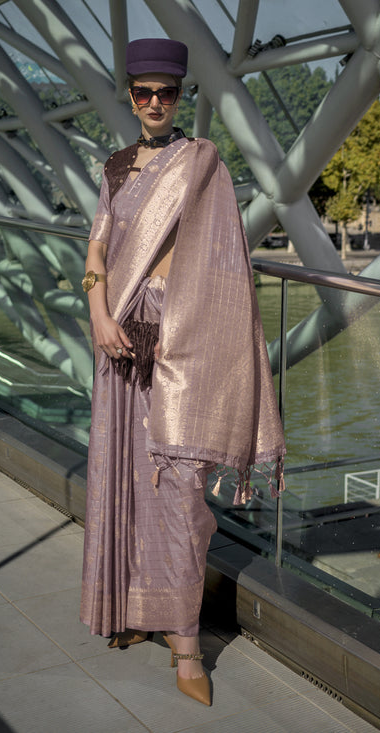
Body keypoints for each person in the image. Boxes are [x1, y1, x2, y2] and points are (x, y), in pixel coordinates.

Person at [80, 38, 285, 707]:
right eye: (143, 92)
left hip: (184, 342)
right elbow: (98, 249)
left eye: (167, 92)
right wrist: (98, 315)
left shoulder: (201, 164)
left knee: (179, 497)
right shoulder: (115, 167)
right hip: (120, 343)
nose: (155, 103)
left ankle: (186, 640)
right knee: (123, 478)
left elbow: (224, 260)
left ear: (180, 96)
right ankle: (132, 609)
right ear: (130, 95)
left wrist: (186, 327)